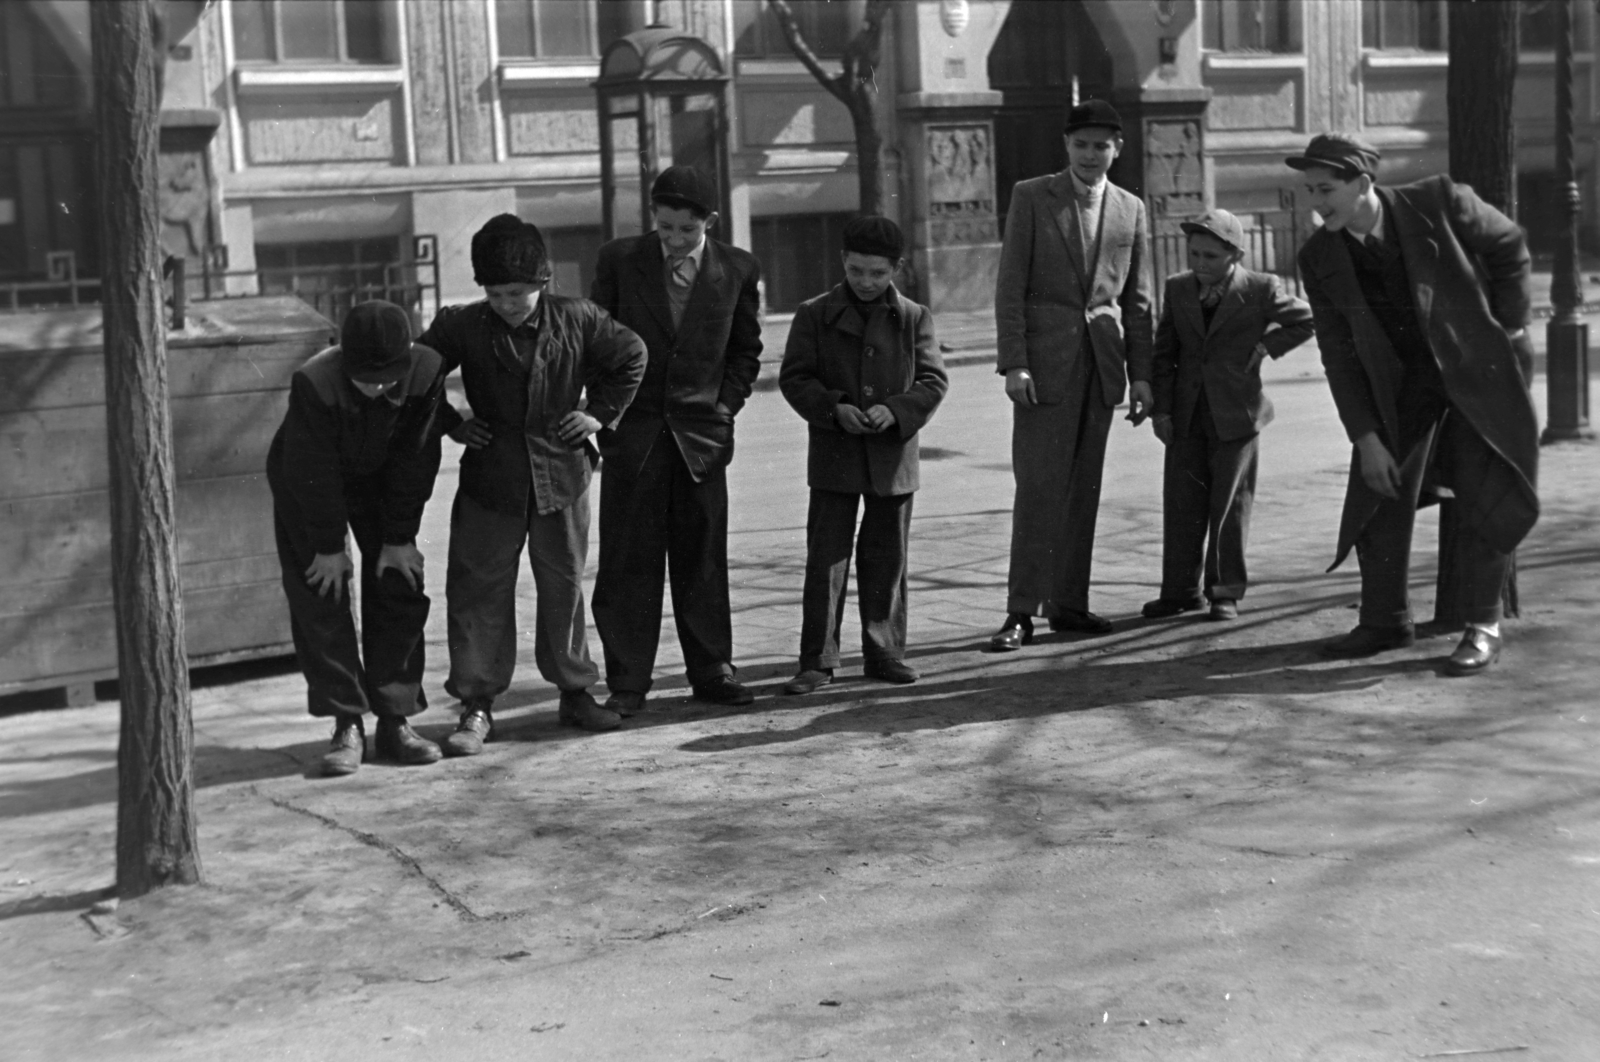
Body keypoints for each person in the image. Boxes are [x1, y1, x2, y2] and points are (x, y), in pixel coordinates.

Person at [1287, 133, 1539, 674]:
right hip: (1401, 392)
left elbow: (1509, 243)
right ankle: (1384, 621)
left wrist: (1511, 325)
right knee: (1375, 496)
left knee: (1486, 492)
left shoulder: (1438, 202)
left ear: (1363, 183)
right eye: (1310, 190)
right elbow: (1338, 354)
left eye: (1326, 189)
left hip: (1476, 377)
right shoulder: (1319, 256)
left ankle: (1483, 624)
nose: (1317, 202)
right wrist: (1366, 437)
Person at [419, 214, 646, 753]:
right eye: (495, 293)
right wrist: (453, 422)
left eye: (517, 292)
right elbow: (418, 369)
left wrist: (599, 415)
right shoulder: (462, 325)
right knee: (477, 591)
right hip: (489, 482)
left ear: (543, 282)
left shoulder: (580, 318)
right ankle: (476, 704)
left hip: (561, 476)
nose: (505, 303)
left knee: (563, 586)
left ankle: (574, 692)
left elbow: (632, 355)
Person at [589, 166, 764, 714]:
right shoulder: (620, 260)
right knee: (627, 561)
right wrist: (606, 415)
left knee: (703, 558)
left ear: (708, 222)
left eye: (685, 231)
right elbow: (597, 345)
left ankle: (713, 669)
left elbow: (745, 352)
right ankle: (628, 680)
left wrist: (724, 409)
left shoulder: (737, 269)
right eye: (664, 228)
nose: (672, 240)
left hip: (700, 440)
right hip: (633, 437)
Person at [990, 99, 1156, 650]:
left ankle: (1069, 603)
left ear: (1117, 149)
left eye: (1101, 145)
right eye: (1081, 144)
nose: (1091, 155)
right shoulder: (1032, 196)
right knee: (1039, 489)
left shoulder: (1131, 208)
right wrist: (1014, 361)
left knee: (1084, 490)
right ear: (1067, 145)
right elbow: (1010, 285)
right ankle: (1020, 612)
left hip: (1101, 367)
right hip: (1042, 369)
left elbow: (1138, 301)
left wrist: (1142, 375)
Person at [266, 300, 448, 776]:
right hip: (306, 483)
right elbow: (311, 467)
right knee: (320, 588)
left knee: (399, 576)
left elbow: (417, 458)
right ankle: (346, 719)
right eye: (367, 376)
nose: (379, 385)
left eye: (389, 376)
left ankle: (396, 717)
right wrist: (328, 545)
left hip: (384, 478)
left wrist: (398, 536)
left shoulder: (427, 370)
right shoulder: (315, 380)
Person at [776, 216, 949, 694]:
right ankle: (817, 660)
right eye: (856, 271)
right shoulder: (813, 313)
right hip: (835, 455)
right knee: (825, 560)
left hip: (892, 460)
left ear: (897, 267)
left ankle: (885, 651)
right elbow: (795, 378)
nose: (867, 282)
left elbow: (933, 381)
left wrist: (896, 411)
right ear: (842, 263)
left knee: (887, 558)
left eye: (878, 273)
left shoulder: (915, 317)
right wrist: (834, 409)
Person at [1144, 209, 1314, 621]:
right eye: (1195, 254)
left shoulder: (1260, 287)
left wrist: (1265, 347)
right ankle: (1181, 590)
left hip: (1237, 414)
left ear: (1235, 255)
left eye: (1211, 257)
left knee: (1230, 504)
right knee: (1182, 503)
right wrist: (1162, 411)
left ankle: (1224, 591)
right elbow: (1164, 352)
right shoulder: (1178, 288)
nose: (1200, 264)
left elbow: (1307, 319)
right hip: (1187, 415)